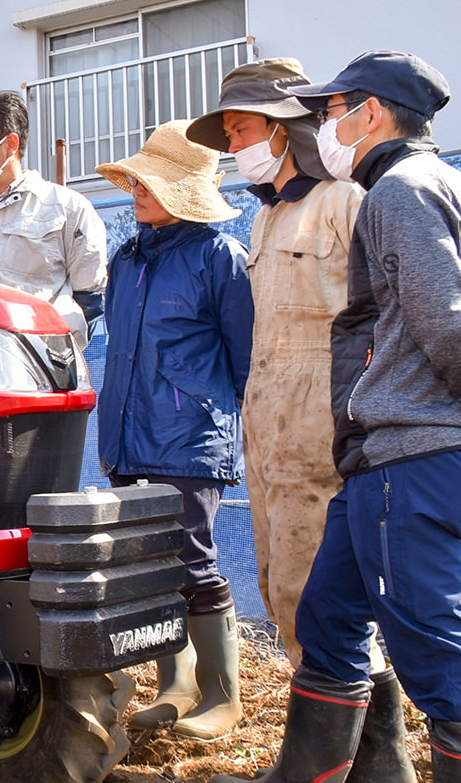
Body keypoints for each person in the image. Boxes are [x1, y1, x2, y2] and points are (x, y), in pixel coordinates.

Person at [213, 51, 460, 783]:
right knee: (325, 615)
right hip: (369, 451)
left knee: (429, 644)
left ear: (372, 113)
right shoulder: (401, 189)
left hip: (406, 448)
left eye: (333, 110)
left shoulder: (395, 193)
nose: (326, 124)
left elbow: (444, 323)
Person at [184, 59, 367, 672]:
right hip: (268, 429)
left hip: (324, 427)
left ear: (284, 128)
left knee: (323, 592)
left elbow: (380, 312)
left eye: (240, 131)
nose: (234, 148)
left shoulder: (346, 200)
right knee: (280, 581)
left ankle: (344, 749)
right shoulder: (265, 217)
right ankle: (352, 750)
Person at [95, 120, 253, 740]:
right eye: (137, 178)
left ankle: (222, 694)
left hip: (188, 438)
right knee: (152, 562)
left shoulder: (220, 257)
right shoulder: (126, 257)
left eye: (150, 182)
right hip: (131, 432)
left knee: (193, 558)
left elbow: (247, 359)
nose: (136, 188)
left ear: (186, 192)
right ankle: (177, 685)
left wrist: (228, 426)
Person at [0, 90, 107, 350]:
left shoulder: (67, 208)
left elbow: (90, 297)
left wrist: (58, 356)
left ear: (10, 144)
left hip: (40, 371)